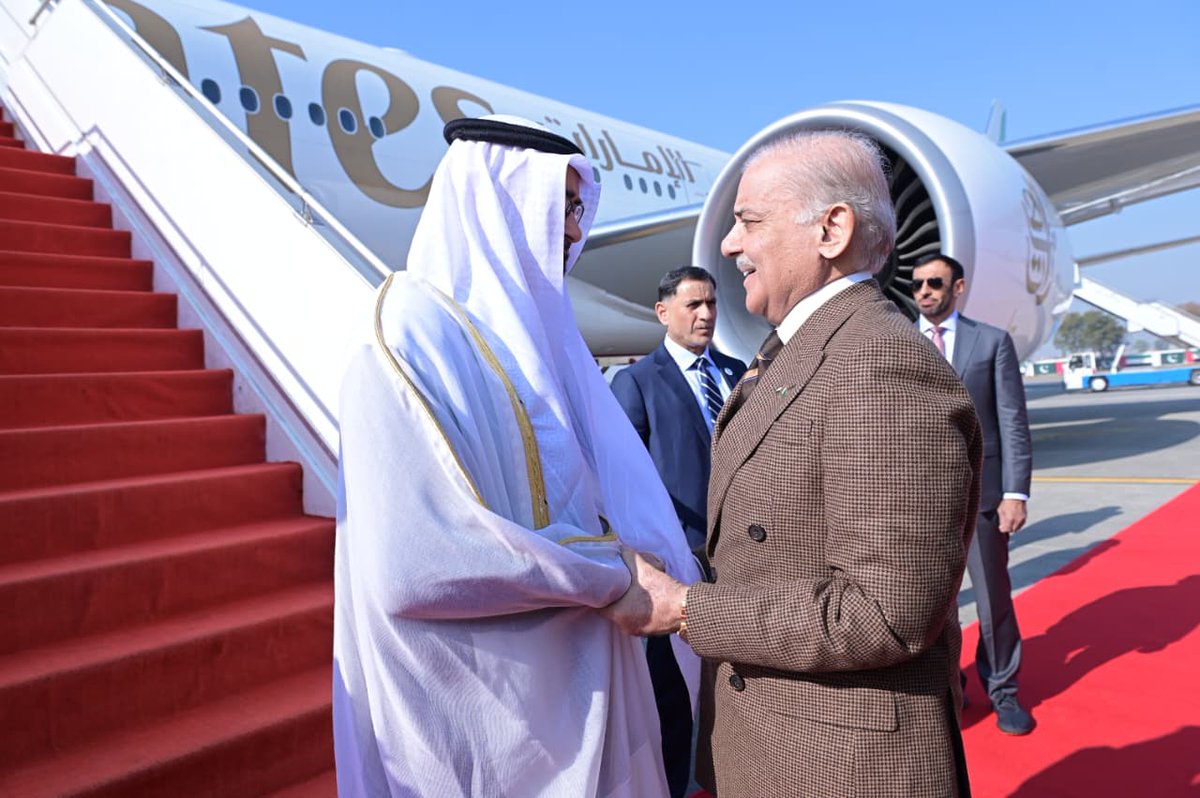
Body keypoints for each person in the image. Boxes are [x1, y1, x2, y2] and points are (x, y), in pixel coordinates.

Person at [603, 130, 983, 797]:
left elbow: (885, 614)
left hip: (840, 768)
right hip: (781, 749)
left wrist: (688, 608)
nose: (728, 245)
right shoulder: (809, 349)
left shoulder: (880, 366)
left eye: (749, 221)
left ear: (831, 230)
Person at [332, 115, 702, 797]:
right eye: (558, 205)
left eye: (575, 209)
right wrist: (610, 574)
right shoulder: (408, 347)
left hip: (582, 697)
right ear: (493, 200)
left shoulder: (540, 352)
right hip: (484, 720)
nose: (572, 231)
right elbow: (416, 562)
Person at [609, 266, 747, 796]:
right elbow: (626, 479)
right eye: (693, 305)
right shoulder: (637, 382)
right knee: (672, 693)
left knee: (739, 678)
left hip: (742, 555)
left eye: (711, 303)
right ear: (663, 312)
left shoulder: (738, 372)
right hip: (679, 557)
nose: (706, 314)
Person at [913, 253, 1035, 735]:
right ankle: (949, 688)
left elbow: (1013, 421)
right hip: (919, 503)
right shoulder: (899, 342)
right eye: (917, 284)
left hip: (982, 497)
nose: (924, 291)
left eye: (934, 282)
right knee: (930, 605)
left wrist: (1015, 492)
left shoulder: (991, 341)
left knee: (992, 602)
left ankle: (1003, 691)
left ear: (957, 288)